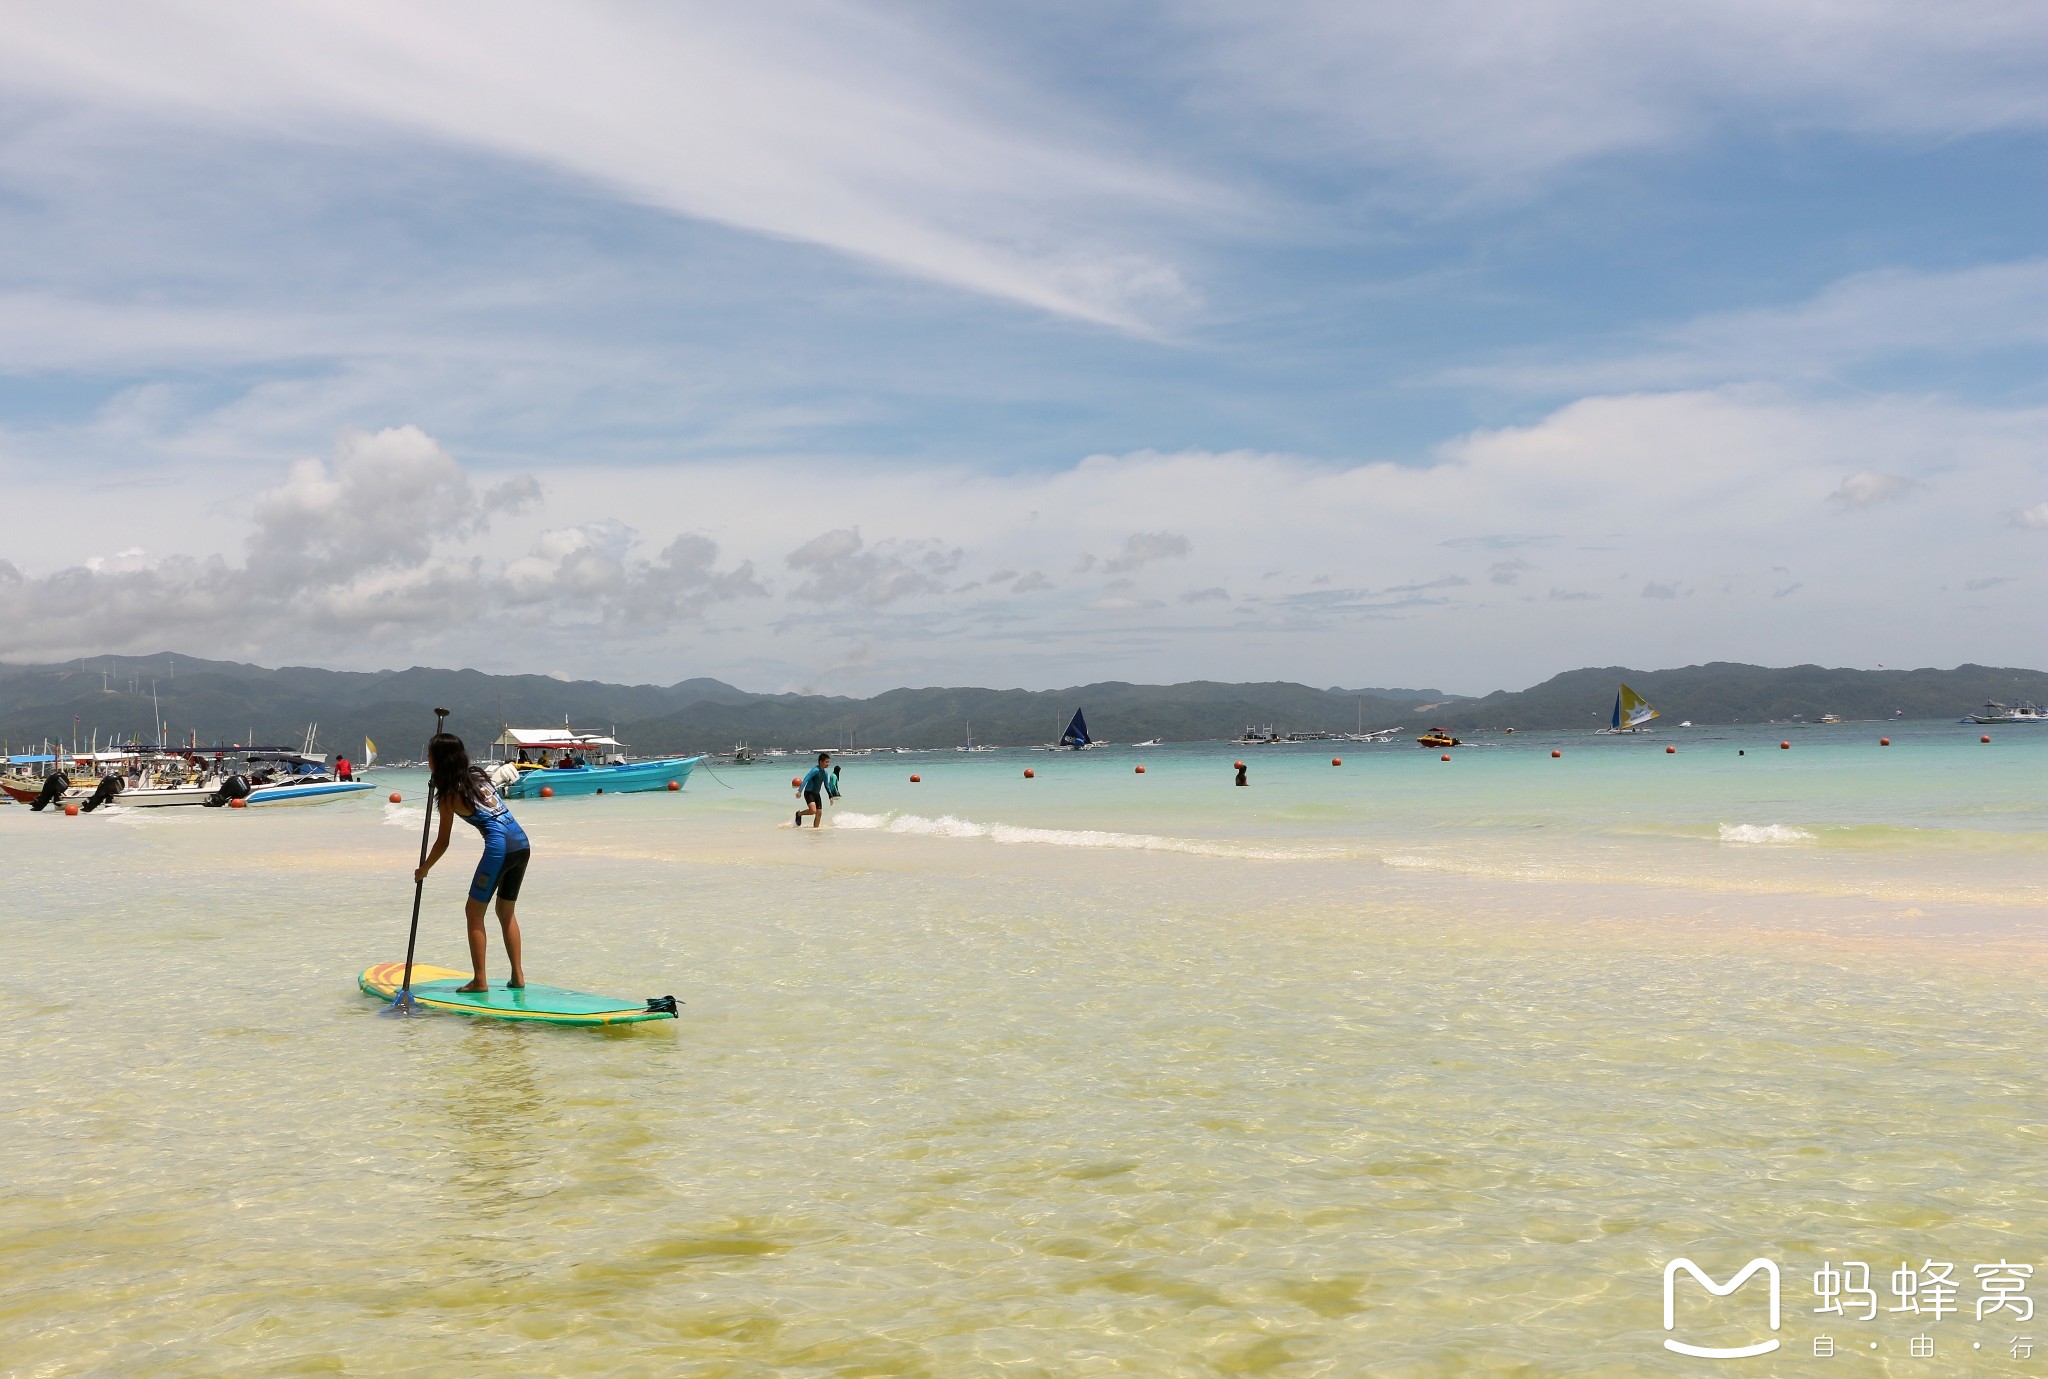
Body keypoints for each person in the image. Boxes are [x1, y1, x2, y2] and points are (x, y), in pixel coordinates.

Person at [416, 731, 529, 992]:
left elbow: (443, 842)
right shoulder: (478, 774)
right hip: (522, 843)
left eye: (431, 756)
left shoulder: (448, 794)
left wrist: (424, 869)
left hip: (499, 848)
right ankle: (518, 976)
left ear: (440, 761)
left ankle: (480, 980)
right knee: (505, 911)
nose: (428, 760)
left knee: (473, 912)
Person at [795, 752, 839, 828]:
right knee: (813, 811)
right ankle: (799, 814)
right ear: (821, 762)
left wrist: (830, 796)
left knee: (819, 813)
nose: (828, 764)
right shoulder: (815, 770)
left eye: (828, 762)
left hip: (816, 794)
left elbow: (826, 785)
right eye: (826, 762)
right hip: (809, 792)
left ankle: (816, 830)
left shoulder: (825, 773)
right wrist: (800, 791)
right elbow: (806, 779)